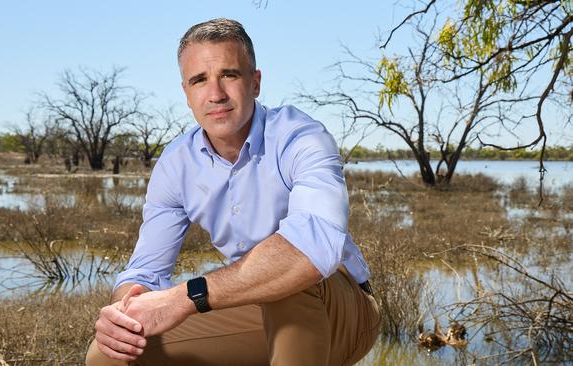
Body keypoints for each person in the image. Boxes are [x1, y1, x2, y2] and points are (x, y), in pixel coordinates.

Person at [85, 18, 380, 366]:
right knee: (110, 355)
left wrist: (185, 297)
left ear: (255, 82)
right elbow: (145, 271)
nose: (216, 94)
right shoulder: (176, 163)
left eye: (229, 75)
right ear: (186, 93)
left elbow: (311, 249)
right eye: (199, 80)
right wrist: (125, 311)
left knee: (288, 283)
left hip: (343, 311)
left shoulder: (300, 137)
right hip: (253, 309)